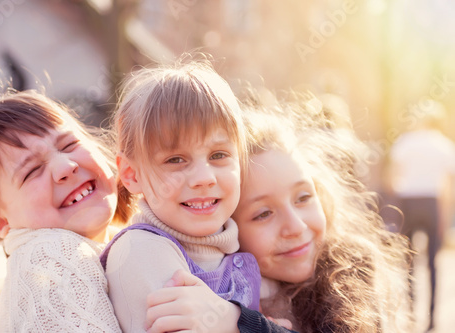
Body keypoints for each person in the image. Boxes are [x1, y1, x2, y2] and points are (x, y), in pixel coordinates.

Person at [146, 99, 414, 333]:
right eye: (263, 214)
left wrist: (239, 323)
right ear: (226, 230)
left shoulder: (351, 268)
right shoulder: (209, 291)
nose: (295, 227)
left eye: (303, 198)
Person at [100, 61, 262, 332]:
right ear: (131, 174)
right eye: (175, 160)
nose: (204, 178)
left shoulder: (240, 250)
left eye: (218, 155)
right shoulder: (142, 251)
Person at [0, 90, 129, 332]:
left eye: (69, 144)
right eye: (31, 171)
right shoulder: (51, 258)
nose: (66, 167)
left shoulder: (128, 239)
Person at [388, 99, 455, 331]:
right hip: (432, 203)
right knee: (433, 263)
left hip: (408, 203)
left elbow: (393, 180)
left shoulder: (405, 142)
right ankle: (433, 318)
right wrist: (444, 218)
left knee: (408, 262)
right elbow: (448, 187)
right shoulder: (444, 145)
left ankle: (410, 313)